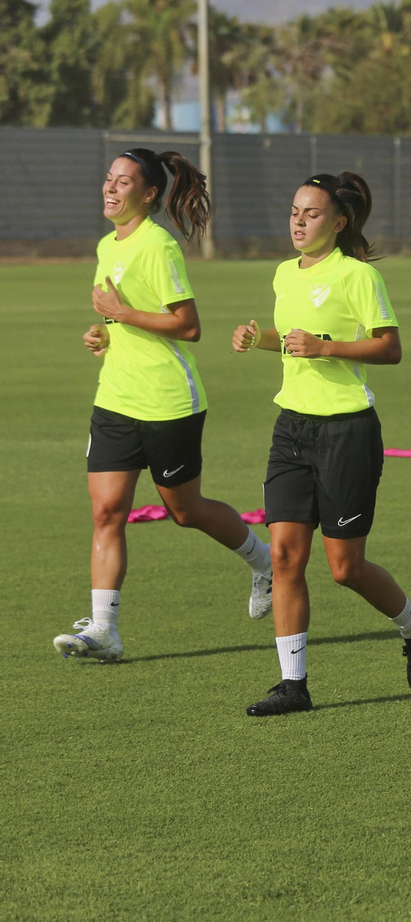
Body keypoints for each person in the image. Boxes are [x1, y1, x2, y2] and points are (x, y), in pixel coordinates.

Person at [54, 148, 275, 663]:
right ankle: (104, 630)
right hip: (114, 399)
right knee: (107, 511)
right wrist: (104, 334)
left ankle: (262, 560)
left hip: (168, 401)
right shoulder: (106, 245)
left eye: (123, 182)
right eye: (108, 179)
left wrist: (122, 313)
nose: (110, 189)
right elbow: (121, 321)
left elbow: (188, 326)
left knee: (185, 510)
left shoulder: (159, 247)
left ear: (149, 194)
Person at [231, 172, 411, 716]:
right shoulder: (282, 273)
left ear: (339, 222)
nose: (299, 221)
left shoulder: (358, 277)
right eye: (294, 211)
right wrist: (262, 339)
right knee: (284, 556)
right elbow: (292, 338)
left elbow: (389, 349)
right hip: (291, 427)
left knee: (345, 568)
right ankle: (292, 684)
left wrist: (326, 346)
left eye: (312, 213)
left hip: (348, 431)